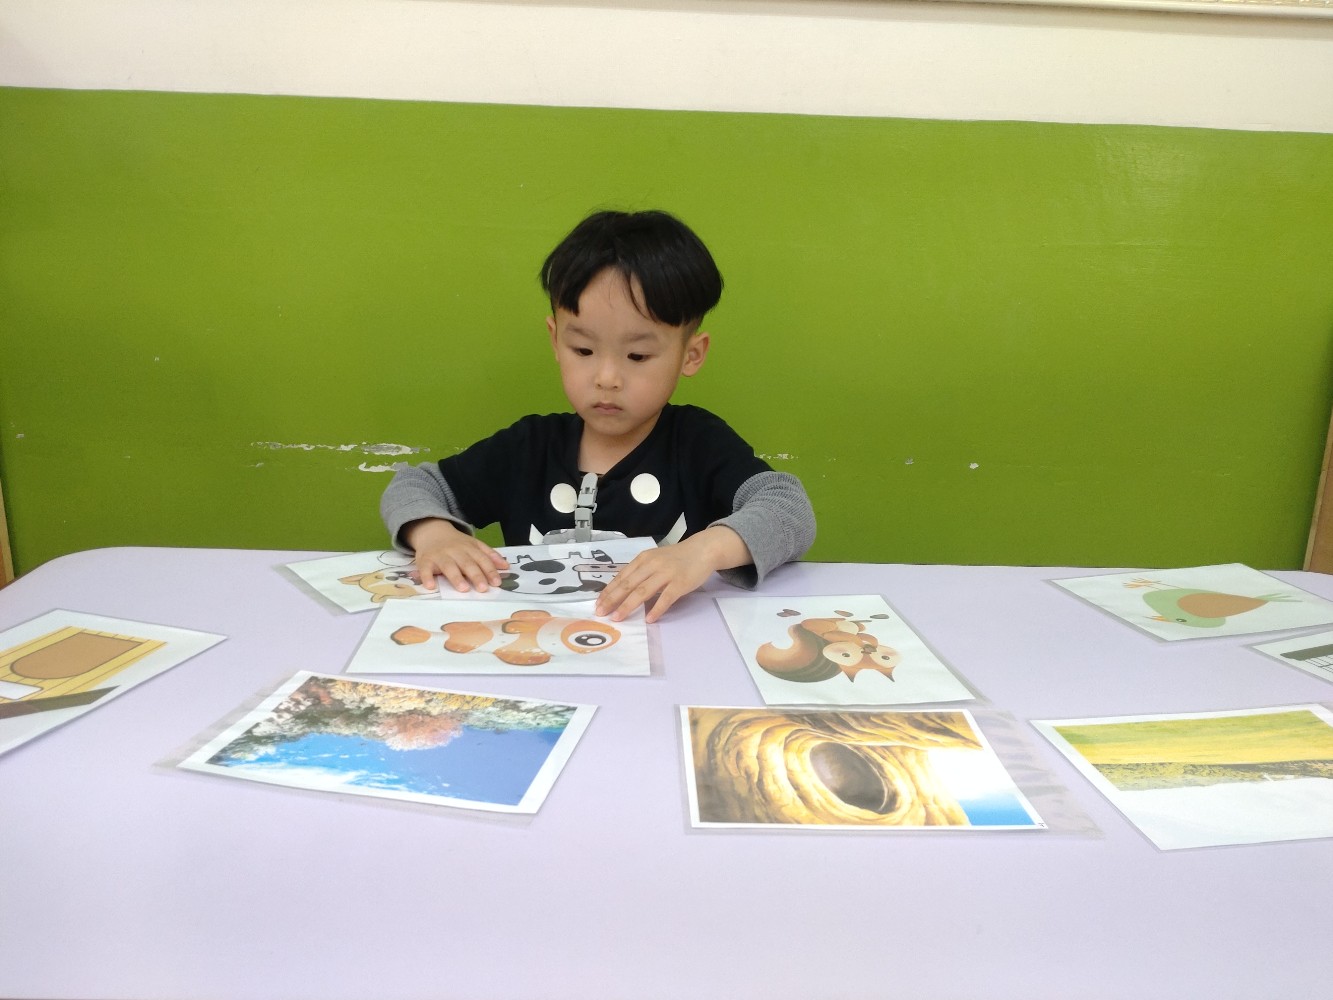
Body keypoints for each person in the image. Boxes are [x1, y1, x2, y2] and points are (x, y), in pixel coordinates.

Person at [380, 209, 815, 622]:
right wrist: (434, 534)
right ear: (555, 340)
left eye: (638, 355)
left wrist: (702, 551)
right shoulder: (528, 448)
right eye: (584, 350)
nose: (607, 378)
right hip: (539, 643)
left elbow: (789, 509)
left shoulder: (698, 444)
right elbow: (415, 484)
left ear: (691, 354)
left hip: (671, 649)